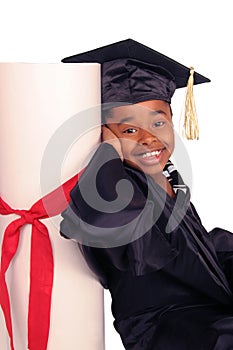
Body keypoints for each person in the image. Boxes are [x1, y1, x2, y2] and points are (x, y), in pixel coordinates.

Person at [60, 39, 233, 349]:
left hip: (210, 311)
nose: (149, 138)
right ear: (104, 135)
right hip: (165, 327)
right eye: (128, 130)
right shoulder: (116, 188)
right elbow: (126, 232)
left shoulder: (170, 179)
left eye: (158, 122)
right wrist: (109, 152)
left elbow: (195, 249)